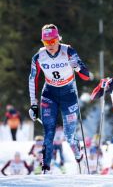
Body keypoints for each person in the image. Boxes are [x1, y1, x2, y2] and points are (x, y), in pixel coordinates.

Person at [28, 24, 90, 174]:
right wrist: (33, 104)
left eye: (52, 41)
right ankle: (46, 168)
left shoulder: (68, 51)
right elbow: (32, 79)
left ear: (58, 39)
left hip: (68, 95)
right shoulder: (39, 57)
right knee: (49, 133)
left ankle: (78, 154)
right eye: (46, 42)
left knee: (69, 136)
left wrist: (77, 67)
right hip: (49, 94)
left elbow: (86, 75)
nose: (50, 45)